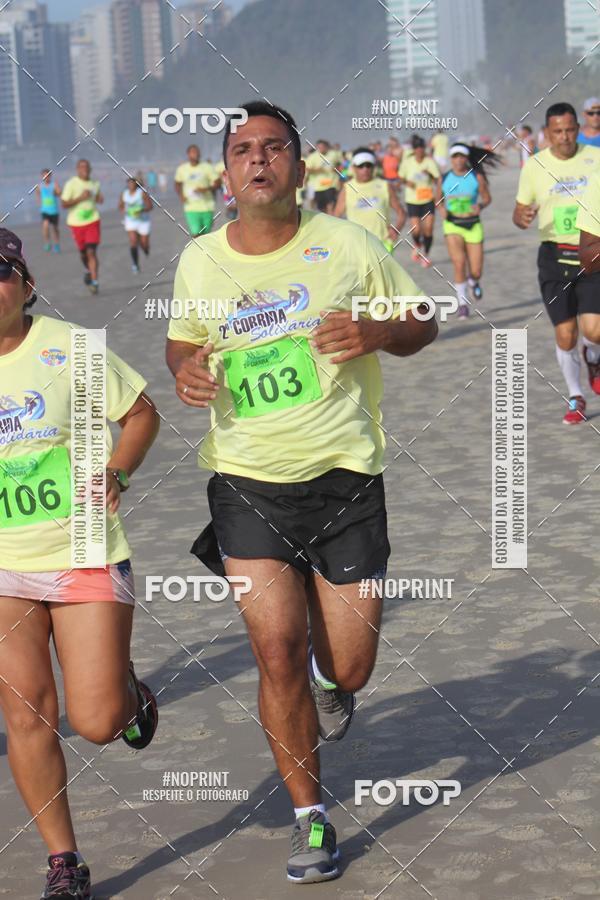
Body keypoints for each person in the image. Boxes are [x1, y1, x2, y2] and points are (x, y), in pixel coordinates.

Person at [166, 100, 437, 885]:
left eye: (273, 146)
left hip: (345, 476)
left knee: (348, 665)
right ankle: (310, 818)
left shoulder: (348, 243)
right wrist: (186, 369)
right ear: (227, 172)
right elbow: (183, 341)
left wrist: (379, 333)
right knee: (274, 650)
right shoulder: (200, 260)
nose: (258, 159)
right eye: (242, 149)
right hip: (246, 481)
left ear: (298, 164)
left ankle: (331, 682)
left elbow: (422, 318)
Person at [0, 227, 160, 898]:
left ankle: (129, 694)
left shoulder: (69, 347)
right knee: (26, 716)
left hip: (83, 549)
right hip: (4, 565)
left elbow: (141, 413)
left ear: (26, 285)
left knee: (95, 722)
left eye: (0, 273)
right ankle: (63, 860)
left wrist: (117, 471)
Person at [514, 101, 600, 424]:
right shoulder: (534, 166)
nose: (565, 137)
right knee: (566, 334)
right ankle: (576, 396)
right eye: (558, 131)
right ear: (547, 134)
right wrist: (522, 216)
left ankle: (593, 357)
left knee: (594, 331)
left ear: (578, 129)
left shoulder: (595, 158)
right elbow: (519, 210)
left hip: (591, 253)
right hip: (554, 256)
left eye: (570, 130)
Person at [437, 142, 497, 317]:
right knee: (459, 262)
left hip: (473, 225)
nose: (458, 160)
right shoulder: (444, 178)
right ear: (451, 159)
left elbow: (487, 198)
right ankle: (462, 303)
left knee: (476, 270)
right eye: (454, 157)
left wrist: (480, 206)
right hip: (452, 225)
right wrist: (441, 209)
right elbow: (437, 199)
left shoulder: (476, 177)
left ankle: (473, 281)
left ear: (466, 158)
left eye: (461, 156)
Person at [334, 147, 405, 253]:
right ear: (354, 167)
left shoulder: (385, 186)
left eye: (369, 165)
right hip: (356, 246)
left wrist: (396, 230)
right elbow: (335, 217)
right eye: (361, 166)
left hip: (382, 245)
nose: (365, 169)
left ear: (374, 167)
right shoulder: (347, 188)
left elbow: (401, 213)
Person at [61, 160, 103, 294]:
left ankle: (95, 282)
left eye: (87, 166)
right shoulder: (71, 184)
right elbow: (64, 204)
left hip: (93, 220)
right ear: (77, 169)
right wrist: (81, 198)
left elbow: (99, 199)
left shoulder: (95, 183)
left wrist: (97, 197)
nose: (85, 169)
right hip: (76, 223)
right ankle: (87, 270)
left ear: (90, 169)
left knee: (91, 252)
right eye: (82, 167)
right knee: (83, 253)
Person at [398, 136, 441, 267]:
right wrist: (407, 182)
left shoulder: (429, 162)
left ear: (424, 148)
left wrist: (430, 175)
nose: (419, 150)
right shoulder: (407, 162)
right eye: (417, 148)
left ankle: (426, 255)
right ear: (414, 150)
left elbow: (438, 179)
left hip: (428, 199)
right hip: (412, 200)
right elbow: (400, 178)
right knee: (416, 230)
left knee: (428, 229)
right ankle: (417, 245)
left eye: (421, 148)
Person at [174, 145, 218, 237]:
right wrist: (181, 195)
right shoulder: (182, 169)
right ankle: (198, 246)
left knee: (206, 235)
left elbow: (217, 182)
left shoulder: (207, 167)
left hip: (207, 206)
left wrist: (206, 189)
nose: (196, 154)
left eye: (197, 152)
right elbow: (177, 183)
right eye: (193, 152)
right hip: (191, 207)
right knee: (196, 234)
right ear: (188, 154)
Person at [119, 176, 153, 273]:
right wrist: (123, 210)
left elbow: (150, 206)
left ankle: (145, 249)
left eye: (132, 182)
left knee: (144, 244)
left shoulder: (142, 193)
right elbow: (120, 206)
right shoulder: (124, 194)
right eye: (129, 183)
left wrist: (141, 210)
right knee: (133, 242)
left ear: (136, 184)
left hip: (143, 221)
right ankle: (135, 264)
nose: (131, 184)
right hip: (131, 221)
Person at [305, 139, 341, 213]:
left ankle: (331, 216)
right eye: (319, 147)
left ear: (327, 147)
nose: (321, 149)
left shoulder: (333, 154)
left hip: (331, 183)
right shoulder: (313, 156)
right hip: (319, 186)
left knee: (330, 203)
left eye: (323, 147)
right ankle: (325, 215)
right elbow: (307, 169)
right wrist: (318, 170)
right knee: (321, 207)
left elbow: (340, 164)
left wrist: (337, 170)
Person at [35, 169, 61, 253]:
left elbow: (59, 193)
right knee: (45, 226)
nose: (46, 177)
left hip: (54, 210)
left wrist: (57, 191)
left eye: (48, 176)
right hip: (44, 210)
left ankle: (56, 244)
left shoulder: (54, 184)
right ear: (42, 177)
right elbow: (37, 194)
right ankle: (47, 243)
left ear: (50, 176)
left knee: (54, 228)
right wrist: (39, 202)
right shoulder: (40, 186)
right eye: (44, 176)